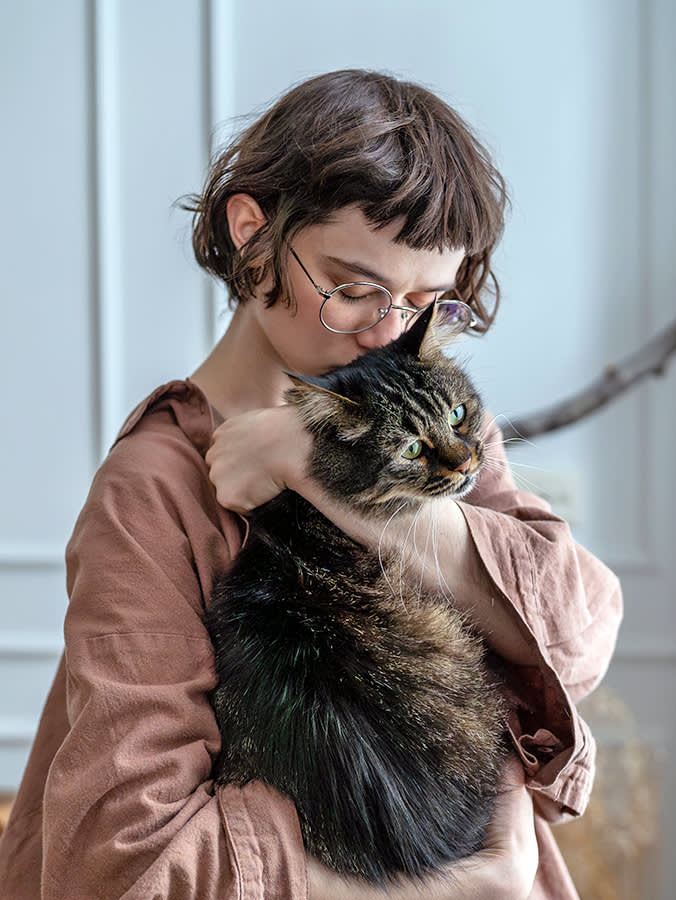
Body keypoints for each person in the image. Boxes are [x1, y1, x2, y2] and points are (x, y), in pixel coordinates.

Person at [0, 70, 622, 900]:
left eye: (425, 299)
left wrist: (315, 468)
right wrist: (458, 888)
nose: (387, 330)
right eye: (354, 289)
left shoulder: (425, 412)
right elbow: (125, 859)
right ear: (254, 234)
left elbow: (581, 634)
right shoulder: (151, 489)